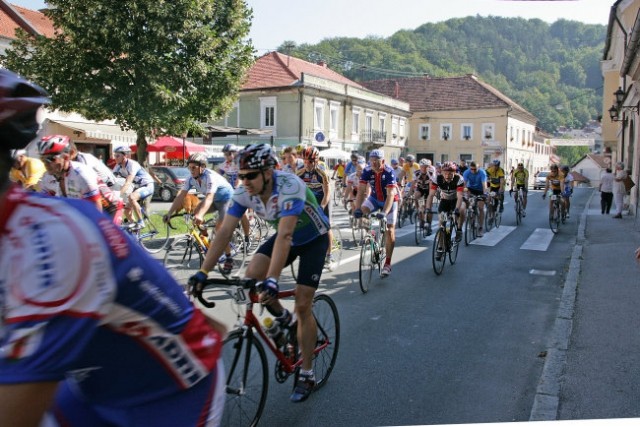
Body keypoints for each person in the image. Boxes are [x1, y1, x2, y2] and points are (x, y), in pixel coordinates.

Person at [0, 69, 226, 427]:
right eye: (49, 160)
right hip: (96, 384)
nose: (53, 164)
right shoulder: (47, 180)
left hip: (172, 391)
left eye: (56, 159)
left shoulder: (82, 175)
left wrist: (109, 234)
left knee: (125, 210)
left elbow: (96, 209)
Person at [189, 143, 330, 403]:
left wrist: (274, 280)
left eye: (251, 175)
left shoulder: (289, 186)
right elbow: (224, 232)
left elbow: (286, 235)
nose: (245, 181)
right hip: (285, 237)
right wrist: (203, 272)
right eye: (241, 175)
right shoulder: (245, 192)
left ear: (268, 172)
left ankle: (307, 372)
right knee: (252, 280)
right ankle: (286, 322)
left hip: (313, 239)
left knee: (302, 303)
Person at [163, 152, 235, 272]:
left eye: (194, 167)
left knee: (219, 229)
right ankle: (206, 239)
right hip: (214, 200)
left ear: (202, 167)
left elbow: (209, 198)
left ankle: (228, 258)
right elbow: (180, 196)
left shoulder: (210, 177)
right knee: (195, 213)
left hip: (226, 199)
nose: (191, 170)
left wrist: (201, 214)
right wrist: (169, 213)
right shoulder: (191, 179)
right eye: (189, 167)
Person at [37, 134, 124, 225]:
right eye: (42, 159)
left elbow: (96, 213)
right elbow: (42, 205)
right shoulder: (47, 178)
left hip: (109, 209)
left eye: (51, 159)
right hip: (83, 207)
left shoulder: (82, 173)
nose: (46, 164)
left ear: (66, 157)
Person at [353, 149, 398, 277]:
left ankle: (388, 263)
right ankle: (371, 233)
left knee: (390, 230)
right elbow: (361, 191)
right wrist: (357, 209)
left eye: (376, 161)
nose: (373, 163)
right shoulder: (367, 171)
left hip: (390, 201)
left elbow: (390, 195)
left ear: (382, 161)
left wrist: (384, 212)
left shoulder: (389, 172)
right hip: (374, 199)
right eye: (371, 161)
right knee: (361, 212)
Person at [297, 146, 334, 266]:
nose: (308, 164)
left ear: (316, 161)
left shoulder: (322, 171)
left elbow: (327, 192)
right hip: (311, 197)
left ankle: (329, 255)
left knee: (326, 226)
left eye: (311, 162)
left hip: (323, 197)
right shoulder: (300, 172)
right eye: (305, 161)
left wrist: (322, 206)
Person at [426, 161, 465, 252]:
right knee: (441, 224)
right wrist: (428, 208)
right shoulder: (437, 179)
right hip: (445, 201)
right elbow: (431, 195)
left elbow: (460, 197)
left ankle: (459, 229)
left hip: (455, 201)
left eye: (450, 174)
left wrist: (457, 209)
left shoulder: (459, 179)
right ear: (442, 172)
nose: (447, 176)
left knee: (462, 209)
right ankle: (440, 247)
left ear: (454, 173)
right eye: (445, 173)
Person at [112, 145, 155, 228]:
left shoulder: (132, 164)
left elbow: (128, 183)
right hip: (138, 187)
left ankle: (141, 222)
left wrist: (118, 194)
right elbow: (110, 179)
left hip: (147, 185)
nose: (115, 158)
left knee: (132, 197)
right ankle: (136, 232)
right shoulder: (117, 166)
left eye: (117, 156)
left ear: (124, 155)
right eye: (114, 155)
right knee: (126, 210)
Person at [218, 143, 251, 246]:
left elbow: (239, 179)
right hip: (232, 191)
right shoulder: (225, 164)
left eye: (228, 154)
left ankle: (247, 237)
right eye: (225, 154)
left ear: (234, 153)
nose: (226, 156)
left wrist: (237, 187)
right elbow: (217, 175)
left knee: (242, 214)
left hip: (243, 190)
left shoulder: (240, 163)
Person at [462, 161, 488, 237]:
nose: (473, 171)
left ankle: (480, 227)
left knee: (480, 208)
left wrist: (485, 194)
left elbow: (484, 185)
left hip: (480, 190)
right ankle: (471, 217)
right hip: (471, 189)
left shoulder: (482, 173)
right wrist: (464, 193)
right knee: (470, 204)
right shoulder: (466, 172)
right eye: (471, 169)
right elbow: (464, 184)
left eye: (475, 169)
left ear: (478, 168)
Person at [412, 158, 436, 235]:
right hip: (420, 189)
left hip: (429, 190)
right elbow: (413, 184)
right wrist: (409, 193)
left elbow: (431, 186)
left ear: (429, 167)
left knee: (428, 208)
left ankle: (429, 225)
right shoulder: (416, 173)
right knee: (416, 196)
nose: (424, 168)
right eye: (422, 166)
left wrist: (430, 198)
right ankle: (418, 210)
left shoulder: (431, 173)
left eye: (426, 167)